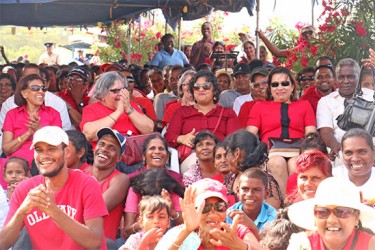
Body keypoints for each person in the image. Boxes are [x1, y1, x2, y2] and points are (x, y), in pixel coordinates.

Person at [0, 126, 108, 249]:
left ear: (66, 152)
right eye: (39, 150)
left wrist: (53, 210)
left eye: (51, 149)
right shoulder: (25, 189)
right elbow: (3, 244)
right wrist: (21, 212)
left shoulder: (87, 184)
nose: (44, 156)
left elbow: (94, 242)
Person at [247, 67, 316, 196]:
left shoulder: (304, 105)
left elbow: (311, 133)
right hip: (270, 153)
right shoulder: (260, 107)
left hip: (298, 151)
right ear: (270, 88)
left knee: (296, 164)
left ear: (292, 86)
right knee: (276, 162)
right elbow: (249, 134)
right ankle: (284, 204)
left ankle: (295, 203)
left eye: (284, 84)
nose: (280, 88)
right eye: (275, 84)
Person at [155, 178, 262, 250]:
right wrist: (187, 231)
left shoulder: (236, 232)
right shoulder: (180, 233)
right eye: (205, 207)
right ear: (194, 208)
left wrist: (240, 245)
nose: (213, 213)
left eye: (219, 207)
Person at [288, 177, 375, 249]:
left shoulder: (371, 246)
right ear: (314, 216)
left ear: (356, 218)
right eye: (322, 212)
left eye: (342, 212)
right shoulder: (301, 244)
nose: (331, 220)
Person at [165, 70, 240, 151]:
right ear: (193, 91)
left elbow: (234, 141)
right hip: (191, 157)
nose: (201, 89)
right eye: (196, 87)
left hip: (218, 157)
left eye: (206, 86)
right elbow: (168, 137)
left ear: (214, 90)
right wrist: (181, 138)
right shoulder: (182, 112)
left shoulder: (227, 113)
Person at [317, 58, 374, 162]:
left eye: (351, 77)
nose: (346, 81)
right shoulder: (326, 101)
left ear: (358, 77)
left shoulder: (371, 95)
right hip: (343, 151)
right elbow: (326, 132)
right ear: (335, 79)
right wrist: (336, 146)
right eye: (341, 77)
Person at [80, 71, 154, 149]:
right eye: (115, 91)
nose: (120, 94)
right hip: (107, 156)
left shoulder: (131, 106)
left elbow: (149, 129)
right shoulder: (92, 109)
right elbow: (89, 134)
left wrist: (128, 109)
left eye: (122, 90)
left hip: (134, 155)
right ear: (102, 94)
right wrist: (118, 112)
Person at [2, 74, 62, 165]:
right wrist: (27, 134)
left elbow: (59, 146)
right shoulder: (12, 114)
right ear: (24, 93)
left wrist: (39, 131)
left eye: (43, 88)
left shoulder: (53, 113)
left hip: (44, 164)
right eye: (35, 88)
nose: (41, 91)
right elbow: (6, 149)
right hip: (17, 166)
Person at [85, 127, 130, 244]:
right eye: (101, 144)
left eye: (112, 148)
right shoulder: (83, 172)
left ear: (119, 158)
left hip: (101, 245)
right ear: (95, 148)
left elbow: (96, 210)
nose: (104, 149)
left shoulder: (121, 179)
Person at [223, 130, 283, 209]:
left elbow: (272, 216)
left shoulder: (266, 181)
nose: (225, 159)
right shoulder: (230, 178)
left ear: (237, 153)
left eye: (227, 153)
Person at [123, 168, 184, 239]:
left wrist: (172, 211)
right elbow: (126, 232)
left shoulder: (169, 191)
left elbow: (186, 227)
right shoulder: (135, 191)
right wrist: (145, 222)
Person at [226, 168, 277, 233]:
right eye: (245, 189)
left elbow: (270, 243)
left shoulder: (274, 218)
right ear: (238, 191)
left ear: (266, 194)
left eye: (256, 190)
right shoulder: (229, 214)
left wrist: (251, 226)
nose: (250, 194)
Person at [333, 128, 375, 203]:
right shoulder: (333, 178)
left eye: (362, 152)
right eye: (348, 153)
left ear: (373, 152)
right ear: (342, 154)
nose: (355, 159)